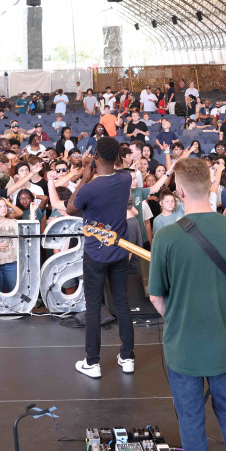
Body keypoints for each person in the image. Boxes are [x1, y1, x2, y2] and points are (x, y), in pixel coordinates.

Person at [147, 158, 226, 451]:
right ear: (211, 185)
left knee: (191, 421)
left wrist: (179, 318)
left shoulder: (165, 237)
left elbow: (156, 297)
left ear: (180, 191)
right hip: (225, 341)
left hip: (183, 346)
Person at [57, 137, 135, 379]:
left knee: (93, 307)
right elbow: (117, 169)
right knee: (121, 303)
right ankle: (128, 357)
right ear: (117, 157)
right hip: (119, 251)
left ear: (97, 157)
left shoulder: (89, 188)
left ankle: (92, 362)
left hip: (95, 254)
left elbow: (70, 208)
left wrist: (84, 176)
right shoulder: (126, 178)